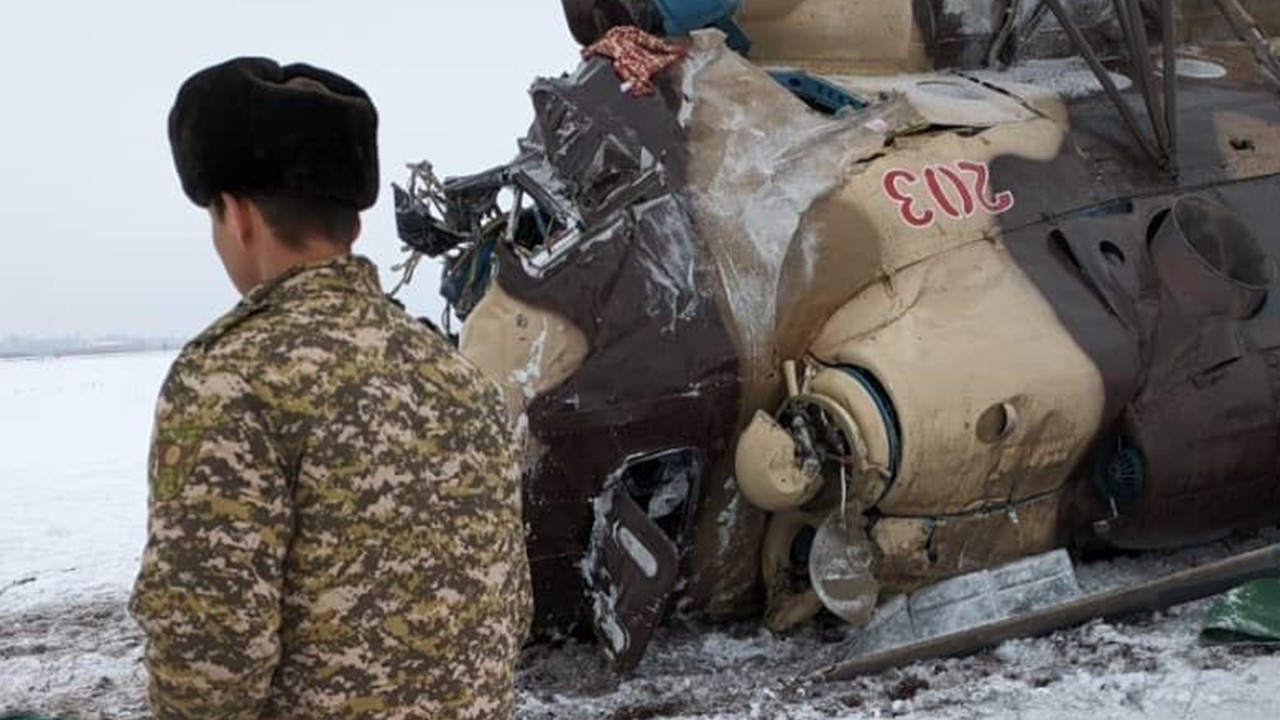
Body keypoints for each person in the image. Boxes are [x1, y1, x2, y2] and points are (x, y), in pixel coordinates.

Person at [130, 57, 531, 720]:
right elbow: (509, 611)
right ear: (354, 223)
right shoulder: (456, 375)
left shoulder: (231, 381)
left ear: (236, 216)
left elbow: (206, 674)